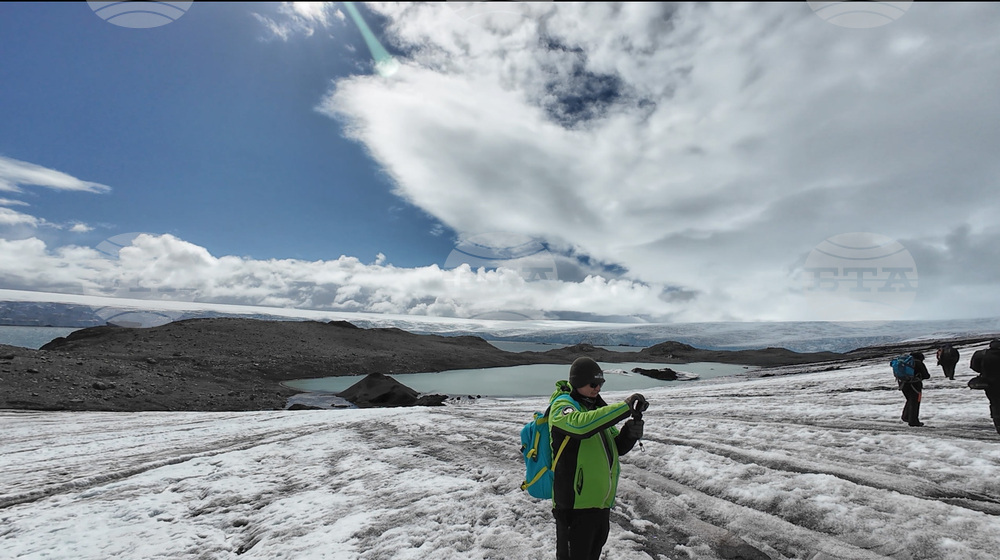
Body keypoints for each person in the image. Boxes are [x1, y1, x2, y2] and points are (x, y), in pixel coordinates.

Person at [548, 356, 646, 560]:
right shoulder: (562, 406)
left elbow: (615, 448)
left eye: (600, 383)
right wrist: (624, 407)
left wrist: (629, 433)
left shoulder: (595, 407)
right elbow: (580, 426)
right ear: (577, 382)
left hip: (599, 506)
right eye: (593, 383)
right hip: (573, 507)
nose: (597, 388)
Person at [970, 339, 1000, 435]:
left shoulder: (982, 354)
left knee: (995, 404)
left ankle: (998, 425)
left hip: (990, 384)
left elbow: (974, 366)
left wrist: (984, 372)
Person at [899, 352, 930, 427]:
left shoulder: (905, 362)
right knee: (915, 402)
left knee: (910, 400)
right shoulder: (918, 363)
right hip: (915, 385)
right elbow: (926, 375)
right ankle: (913, 421)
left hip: (903, 384)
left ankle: (906, 416)